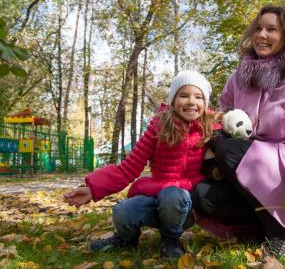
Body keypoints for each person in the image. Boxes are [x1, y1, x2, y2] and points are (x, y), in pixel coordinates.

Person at [192, 5, 285, 256]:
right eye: (258, 28)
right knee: (203, 195)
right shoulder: (239, 77)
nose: (262, 35)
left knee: (228, 149)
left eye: (272, 29)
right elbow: (220, 117)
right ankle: (259, 229)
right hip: (245, 164)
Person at [64, 70, 216, 259]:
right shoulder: (158, 128)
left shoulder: (210, 130)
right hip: (155, 196)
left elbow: (230, 160)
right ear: (172, 100)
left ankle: (170, 240)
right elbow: (129, 167)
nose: (192, 101)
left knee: (173, 195)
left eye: (198, 97)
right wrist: (92, 189)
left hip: (185, 205)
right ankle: (127, 239)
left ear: (205, 103)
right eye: (184, 95)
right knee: (123, 210)